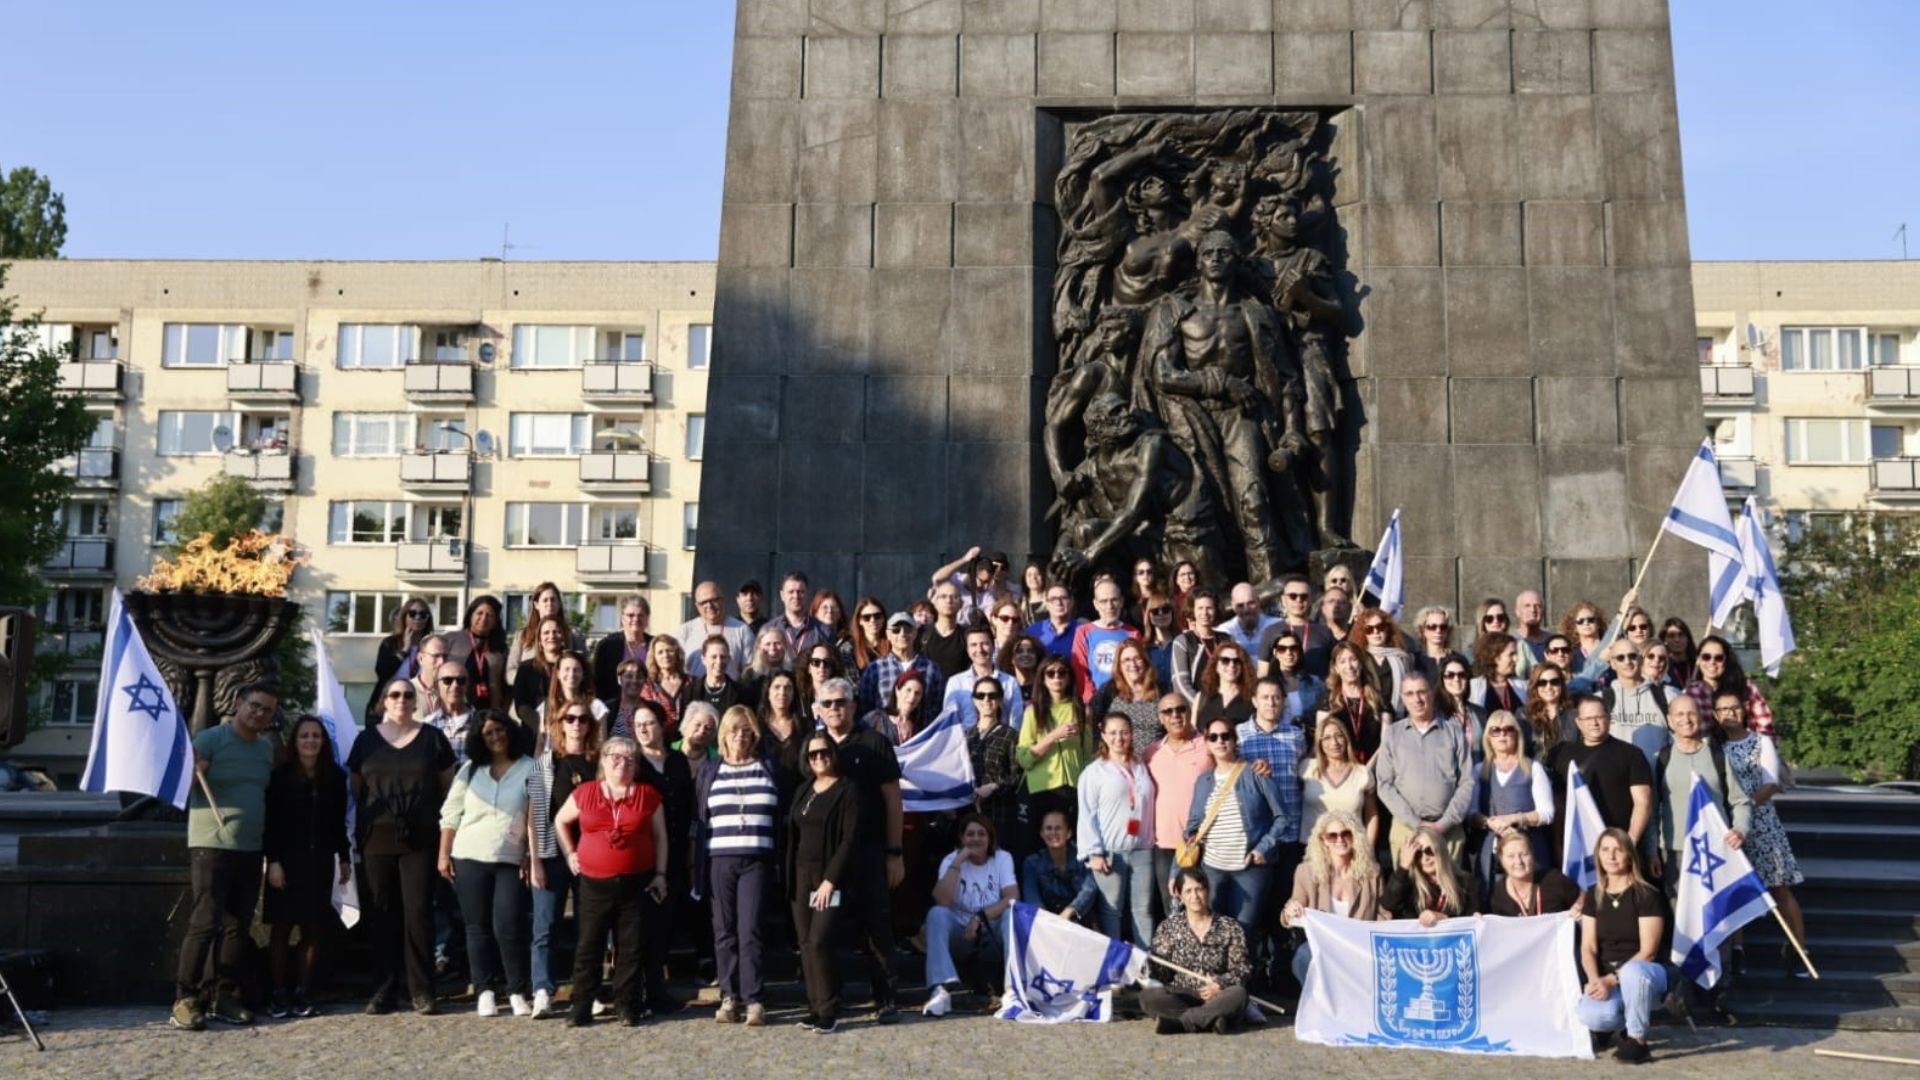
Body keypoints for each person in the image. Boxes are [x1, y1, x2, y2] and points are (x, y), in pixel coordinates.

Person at [349, 678, 457, 1016]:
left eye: (407, 694)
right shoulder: (366, 740)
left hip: (421, 838)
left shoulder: (432, 738)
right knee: (382, 913)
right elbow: (356, 787)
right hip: (376, 837)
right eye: (394, 695)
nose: (401, 699)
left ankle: (422, 990)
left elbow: (447, 787)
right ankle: (383, 989)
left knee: (419, 913)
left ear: (416, 701)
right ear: (383, 701)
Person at [553, 736, 670, 1027]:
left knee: (630, 947)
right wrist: (570, 853)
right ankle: (581, 1005)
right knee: (589, 945)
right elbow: (560, 821)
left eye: (629, 759)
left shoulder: (647, 795)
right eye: (615, 757)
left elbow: (660, 837)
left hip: (636, 882)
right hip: (594, 883)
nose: (622, 763)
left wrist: (660, 874)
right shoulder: (586, 792)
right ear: (603, 762)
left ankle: (626, 1005)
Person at [808, 677, 906, 1024]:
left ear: (853, 705)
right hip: (827, 862)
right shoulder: (814, 746)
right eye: (828, 703)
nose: (835, 708)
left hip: (868, 853)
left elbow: (894, 801)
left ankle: (885, 997)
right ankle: (830, 999)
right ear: (818, 709)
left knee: (876, 927)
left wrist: (895, 853)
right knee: (825, 930)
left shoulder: (875, 743)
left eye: (841, 702)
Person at [436, 710, 538, 1017]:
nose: (495, 737)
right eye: (488, 733)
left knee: (508, 925)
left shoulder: (529, 768)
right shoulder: (469, 770)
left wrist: (530, 854)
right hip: (468, 855)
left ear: (510, 732)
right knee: (476, 927)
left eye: (500, 730)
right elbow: (450, 814)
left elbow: (536, 817)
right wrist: (444, 853)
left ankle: (517, 990)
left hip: (509, 858)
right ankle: (484, 990)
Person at [262, 713, 351, 1020]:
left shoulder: (336, 777)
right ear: (295, 741)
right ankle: (278, 992)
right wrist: (273, 861)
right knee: (281, 930)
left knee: (313, 929)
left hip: (320, 862)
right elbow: (271, 824)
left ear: (323, 741)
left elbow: (338, 824)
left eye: (316, 736)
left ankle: (304, 991)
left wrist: (344, 856)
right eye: (304, 736)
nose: (310, 741)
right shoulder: (280, 776)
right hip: (286, 863)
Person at [696, 706, 780, 1026]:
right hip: (720, 859)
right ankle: (729, 997)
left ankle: (754, 998)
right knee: (724, 931)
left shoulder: (767, 767)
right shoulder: (710, 770)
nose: (740, 736)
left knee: (751, 929)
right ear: (724, 735)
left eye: (746, 730)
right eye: (734, 730)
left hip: (757, 859)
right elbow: (701, 817)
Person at [1715, 690, 1807, 973]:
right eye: (1722, 709)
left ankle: (1798, 949)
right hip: (1727, 826)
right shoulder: (1713, 747)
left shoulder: (1760, 741)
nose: (1729, 714)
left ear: (1743, 711)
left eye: (1734, 708)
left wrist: (1744, 806)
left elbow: (1771, 783)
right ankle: (1738, 951)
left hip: (1762, 822)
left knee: (1778, 888)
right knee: (1737, 890)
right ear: (1715, 715)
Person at [1574, 828, 1674, 1063]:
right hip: (1609, 976)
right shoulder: (1592, 896)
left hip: (1647, 974)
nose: (1611, 856)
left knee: (1633, 971)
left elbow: (1648, 952)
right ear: (1598, 855)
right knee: (1591, 1016)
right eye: (1605, 850)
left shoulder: (1646, 894)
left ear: (1629, 855)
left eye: (1618, 850)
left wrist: (1610, 980)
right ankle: (1621, 1021)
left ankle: (1637, 1039)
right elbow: (1587, 947)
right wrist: (1594, 979)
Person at [527, 699, 600, 1018]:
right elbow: (532, 813)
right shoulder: (545, 763)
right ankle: (543, 988)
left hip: (591, 854)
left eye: (583, 719)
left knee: (591, 927)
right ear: (559, 724)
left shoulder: (598, 762)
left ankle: (587, 990)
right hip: (551, 851)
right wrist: (533, 860)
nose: (576, 724)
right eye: (569, 718)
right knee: (546, 924)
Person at [788, 730, 862, 1034]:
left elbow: (849, 838)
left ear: (833, 754)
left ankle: (830, 1008)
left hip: (828, 876)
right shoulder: (804, 788)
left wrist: (831, 879)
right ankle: (815, 1005)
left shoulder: (848, 790)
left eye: (824, 752)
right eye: (813, 754)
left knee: (820, 941)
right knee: (805, 943)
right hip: (800, 874)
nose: (819, 758)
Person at [1186, 717, 1288, 935]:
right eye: (1213, 737)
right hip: (1212, 868)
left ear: (1234, 740)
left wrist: (1263, 848)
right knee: (1213, 932)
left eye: (1226, 736)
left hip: (1250, 868)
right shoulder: (1203, 781)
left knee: (1244, 933)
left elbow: (1282, 817)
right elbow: (1193, 825)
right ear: (1207, 743)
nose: (1220, 741)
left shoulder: (1256, 773)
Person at [921, 814, 1019, 1016]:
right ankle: (941, 990)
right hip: (961, 935)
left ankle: (1013, 990)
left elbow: (1012, 896)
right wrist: (958, 861)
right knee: (936, 914)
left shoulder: (1002, 858)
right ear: (962, 838)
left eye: (981, 834)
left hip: (991, 933)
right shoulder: (951, 860)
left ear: (990, 838)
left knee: (1011, 915)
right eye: (970, 834)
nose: (976, 839)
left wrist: (979, 918)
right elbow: (942, 900)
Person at [1370, 672, 1474, 862]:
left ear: (1431, 693)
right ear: (1402, 698)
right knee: (1406, 888)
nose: (1416, 699)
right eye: (1409, 694)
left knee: (1448, 889)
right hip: (1406, 830)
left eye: (1421, 692)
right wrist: (1415, 823)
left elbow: (1467, 782)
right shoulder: (1393, 734)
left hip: (1448, 830)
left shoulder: (1454, 731)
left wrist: (1445, 823)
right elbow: (1384, 784)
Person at [634, 700, 697, 1013]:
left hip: (673, 853)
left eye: (649, 723)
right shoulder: (633, 763)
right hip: (642, 853)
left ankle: (657, 989)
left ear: (661, 726)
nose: (645, 730)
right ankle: (640, 991)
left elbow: (687, 806)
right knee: (642, 925)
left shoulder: (677, 761)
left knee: (664, 924)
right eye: (639, 725)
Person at [1651, 695, 1750, 891]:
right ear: (1670, 720)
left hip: (1717, 850)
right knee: (1680, 916)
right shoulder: (1660, 759)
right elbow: (1652, 810)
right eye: (1679, 714)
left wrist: (1740, 829)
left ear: (1701, 717)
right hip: (1675, 852)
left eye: (1691, 713)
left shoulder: (1719, 757)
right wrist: (1650, 851)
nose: (1685, 719)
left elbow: (1740, 801)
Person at [1079, 714, 1158, 952]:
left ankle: (1146, 965)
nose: (1118, 738)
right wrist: (1094, 852)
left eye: (1124, 732)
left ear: (1132, 733)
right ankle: (1114, 967)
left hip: (1143, 849)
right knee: (1112, 911)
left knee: (1143, 910)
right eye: (1112, 732)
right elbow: (1086, 814)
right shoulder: (1095, 772)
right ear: (1103, 735)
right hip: (1111, 852)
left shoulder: (1141, 766)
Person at [1546, 696, 1654, 865]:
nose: (1594, 723)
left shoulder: (1632, 754)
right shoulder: (1561, 754)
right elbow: (1558, 804)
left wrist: (1630, 842)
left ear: (1609, 718)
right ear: (1578, 723)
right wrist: (1559, 846)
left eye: (1599, 717)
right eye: (1588, 718)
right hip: (1578, 851)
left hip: (1619, 850)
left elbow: (1643, 802)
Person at [1142, 869, 1252, 1036]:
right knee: (1148, 997)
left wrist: (1220, 983)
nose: (1195, 896)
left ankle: (1181, 1023)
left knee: (1238, 994)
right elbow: (1161, 974)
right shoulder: (1169, 927)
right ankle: (1212, 1019)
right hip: (1181, 993)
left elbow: (1242, 969)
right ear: (1179, 895)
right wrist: (1144, 962)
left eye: (1199, 889)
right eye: (1188, 891)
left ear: (1208, 890)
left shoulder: (1229, 926)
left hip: (1218, 994)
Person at [1280, 809, 1381, 986]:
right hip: (1323, 946)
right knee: (1304, 955)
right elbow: (1293, 907)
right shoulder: (1306, 871)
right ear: (1323, 841)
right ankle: (1323, 1005)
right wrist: (1290, 911)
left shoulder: (1372, 873)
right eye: (1332, 836)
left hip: (1359, 946)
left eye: (1345, 834)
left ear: (1355, 836)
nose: (1340, 840)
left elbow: (1382, 915)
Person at [1470, 710, 1555, 901]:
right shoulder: (1479, 770)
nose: (1502, 735)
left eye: (1508, 730)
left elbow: (1547, 813)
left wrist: (1513, 819)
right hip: (1491, 854)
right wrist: (1489, 822)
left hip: (1529, 849)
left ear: (1517, 734)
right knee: (1491, 900)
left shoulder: (1533, 767)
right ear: (1488, 737)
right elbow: (1471, 813)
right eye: (1495, 730)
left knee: (1532, 902)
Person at [1016, 657, 1095, 850]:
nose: (1056, 677)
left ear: (1069, 677)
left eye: (1062, 672)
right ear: (1042, 679)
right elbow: (1024, 759)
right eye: (1050, 673)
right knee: (1035, 848)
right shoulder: (1033, 712)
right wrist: (1053, 736)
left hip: (1072, 788)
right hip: (1041, 788)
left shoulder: (1082, 711)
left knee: (1072, 846)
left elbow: (1087, 756)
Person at [1145, 693, 1212, 905]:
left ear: (1190, 712)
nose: (1175, 715)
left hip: (1201, 842)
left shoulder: (1209, 745)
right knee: (1171, 908)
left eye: (1180, 709)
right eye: (1168, 711)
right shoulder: (1151, 752)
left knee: (1204, 906)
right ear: (1160, 718)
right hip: (1164, 843)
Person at [1300, 714, 1379, 851]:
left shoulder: (1363, 774)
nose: (1334, 743)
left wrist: (1369, 850)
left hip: (1352, 850)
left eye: (1339, 736)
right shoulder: (1306, 768)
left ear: (1346, 739)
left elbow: (1372, 815)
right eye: (1327, 738)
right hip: (1313, 850)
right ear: (1319, 742)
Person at [965, 677, 1023, 863]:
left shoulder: (1011, 735)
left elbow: (1019, 777)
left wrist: (995, 787)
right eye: (981, 695)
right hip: (970, 817)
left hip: (1001, 816)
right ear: (974, 700)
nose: (986, 700)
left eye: (992, 695)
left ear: (1000, 700)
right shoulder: (965, 737)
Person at [857, 612, 943, 727]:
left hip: (923, 738)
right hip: (884, 738)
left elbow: (938, 707)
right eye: (896, 630)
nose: (902, 634)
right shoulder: (874, 669)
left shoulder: (932, 668)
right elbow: (865, 708)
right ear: (888, 634)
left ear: (915, 633)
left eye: (908, 630)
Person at [1381, 825, 1477, 922]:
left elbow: (1471, 921)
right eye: (1418, 854)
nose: (1425, 858)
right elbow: (1388, 905)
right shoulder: (1408, 883)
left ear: (1440, 850)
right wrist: (1403, 866)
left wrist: (1444, 919)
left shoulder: (1465, 882)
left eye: (1429, 851)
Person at [1687, 634, 1776, 737]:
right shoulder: (1690, 694)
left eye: (1719, 658)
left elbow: (1765, 726)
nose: (1712, 662)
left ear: (1726, 660)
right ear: (1698, 660)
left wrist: (1764, 749)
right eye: (1706, 657)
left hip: (1746, 750)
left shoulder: (1746, 687)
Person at [942, 624, 1024, 734]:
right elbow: (949, 721)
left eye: (984, 644)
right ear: (967, 649)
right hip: (964, 745)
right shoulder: (956, 682)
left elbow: (1016, 721)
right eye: (973, 645)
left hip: (1001, 744)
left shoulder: (1010, 682)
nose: (979, 650)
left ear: (993, 645)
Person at [366, 598, 437, 721]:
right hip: (391, 702)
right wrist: (404, 650)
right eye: (412, 614)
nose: (417, 618)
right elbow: (381, 672)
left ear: (428, 619)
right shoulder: (390, 643)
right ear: (404, 617)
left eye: (423, 614)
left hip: (421, 704)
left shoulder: (432, 645)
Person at [1601, 639, 1670, 766]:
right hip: (1618, 779)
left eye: (1632, 656)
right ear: (1612, 663)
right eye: (1621, 657)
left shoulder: (1666, 695)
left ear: (1640, 659)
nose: (1627, 661)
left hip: (1658, 780)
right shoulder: (1601, 700)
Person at [1072, 577, 1141, 702]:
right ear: (1095, 604)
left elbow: (1139, 669)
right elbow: (1080, 670)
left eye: (1114, 600)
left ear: (1121, 601)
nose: (1110, 606)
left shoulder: (1133, 633)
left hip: (1127, 700)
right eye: (1104, 601)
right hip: (1095, 701)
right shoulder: (1084, 632)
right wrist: (1092, 701)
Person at [1021, 808, 1098, 921]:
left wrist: (1070, 910)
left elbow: (1089, 889)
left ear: (1069, 833)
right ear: (1042, 834)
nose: (1053, 833)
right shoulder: (1032, 863)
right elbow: (1031, 897)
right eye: (1048, 828)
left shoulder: (1082, 858)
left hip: (1078, 919)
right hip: (1045, 922)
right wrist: (1049, 921)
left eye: (1058, 828)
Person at [1485, 829, 1582, 917]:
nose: (1518, 861)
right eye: (1511, 856)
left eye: (1524, 854)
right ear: (1501, 860)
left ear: (1532, 856)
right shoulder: (1498, 894)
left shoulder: (1554, 879)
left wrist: (1578, 906)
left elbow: (1583, 896)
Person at [1090, 638, 1163, 755]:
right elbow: (1092, 721)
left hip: (1155, 761)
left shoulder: (1160, 690)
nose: (1133, 664)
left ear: (1145, 661)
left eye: (1137, 658)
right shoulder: (1109, 690)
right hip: (1119, 763)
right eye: (1127, 660)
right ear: (1119, 665)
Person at [1317, 641, 1387, 763]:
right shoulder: (1327, 701)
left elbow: (1386, 743)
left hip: (1374, 768)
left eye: (1353, 659)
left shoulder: (1379, 699)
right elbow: (1322, 742)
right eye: (1342, 661)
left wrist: (1367, 771)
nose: (1349, 666)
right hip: (1340, 769)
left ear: (1361, 663)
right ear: (1336, 668)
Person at [757, 669, 814, 813]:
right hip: (764, 800)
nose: (782, 692)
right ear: (767, 692)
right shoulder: (756, 727)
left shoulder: (805, 726)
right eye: (777, 687)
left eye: (788, 688)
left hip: (798, 802)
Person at [677, 581, 755, 678]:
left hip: (730, 691)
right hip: (694, 691)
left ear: (722, 600)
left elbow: (748, 669)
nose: (709, 605)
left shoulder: (742, 630)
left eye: (713, 600)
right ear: (697, 606)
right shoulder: (685, 631)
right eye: (703, 602)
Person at [447, 595, 510, 713]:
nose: (484, 618)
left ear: (496, 620)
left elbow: (505, 686)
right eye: (479, 613)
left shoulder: (500, 648)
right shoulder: (451, 639)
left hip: (489, 710)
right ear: (470, 614)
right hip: (455, 706)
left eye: (489, 615)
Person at [511, 616, 570, 730]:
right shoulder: (526, 668)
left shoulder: (573, 665)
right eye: (546, 633)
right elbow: (521, 705)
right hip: (535, 731)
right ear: (539, 640)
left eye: (556, 632)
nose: (551, 636)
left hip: (568, 728)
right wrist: (541, 725)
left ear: (563, 636)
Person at [591, 594, 653, 702]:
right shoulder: (607, 646)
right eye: (631, 615)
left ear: (647, 618)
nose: (636, 619)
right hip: (614, 709)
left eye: (640, 615)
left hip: (649, 709)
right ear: (622, 618)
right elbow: (596, 682)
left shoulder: (654, 645)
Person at [1350, 608, 1411, 714]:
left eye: (1380, 627)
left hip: (1397, 716)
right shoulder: (1358, 657)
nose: (1376, 632)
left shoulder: (1403, 658)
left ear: (1387, 629)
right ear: (1363, 633)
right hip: (1367, 716)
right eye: (1369, 629)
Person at [1273, 575, 1335, 678]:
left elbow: (1335, 668)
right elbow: (1263, 674)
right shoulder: (1271, 632)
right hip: (1283, 692)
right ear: (1283, 600)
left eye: (1304, 596)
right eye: (1293, 596)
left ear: (1311, 599)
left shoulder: (1324, 632)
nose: (1298, 600)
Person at [1169, 587, 1222, 704]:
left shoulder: (1227, 640)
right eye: (1200, 608)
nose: (1205, 613)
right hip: (1197, 709)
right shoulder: (1183, 641)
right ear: (1193, 610)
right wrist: (1202, 707)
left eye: (1209, 608)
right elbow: (1180, 684)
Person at [1262, 629, 1322, 724]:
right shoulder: (1265, 685)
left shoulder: (1315, 682)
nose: (1288, 652)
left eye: (1293, 648)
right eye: (1282, 649)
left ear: (1299, 652)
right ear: (1275, 653)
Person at [540, 649, 608, 732]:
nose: (571, 674)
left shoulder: (596, 707)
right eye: (567, 669)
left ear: (583, 674)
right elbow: (541, 742)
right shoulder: (548, 705)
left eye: (576, 670)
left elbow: (600, 743)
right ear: (558, 674)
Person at [640, 635, 695, 734]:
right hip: (658, 736)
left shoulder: (690, 682)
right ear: (654, 657)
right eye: (660, 652)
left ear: (677, 654)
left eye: (669, 650)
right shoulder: (648, 685)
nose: (665, 655)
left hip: (687, 738)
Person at [1193, 641, 1255, 729]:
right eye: (1225, 660)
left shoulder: (1252, 699)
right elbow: (1194, 732)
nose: (1231, 665)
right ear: (1216, 665)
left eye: (1237, 661)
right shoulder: (1202, 698)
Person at [1215, 582, 1282, 660]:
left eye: (1251, 603)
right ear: (1232, 606)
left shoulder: (1277, 626)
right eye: (1240, 605)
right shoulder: (1224, 632)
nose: (1246, 609)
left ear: (1258, 601)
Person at [921, 580, 972, 680]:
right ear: (935, 602)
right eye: (943, 597)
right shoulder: (922, 633)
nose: (949, 601)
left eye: (954, 597)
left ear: (961, 603)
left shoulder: (968, 635)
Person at [772, 571, 830, 659]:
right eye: (791, 592)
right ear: (782, 595)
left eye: (800, 592)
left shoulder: (824, 631)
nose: (796, 596)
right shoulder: (770, 629)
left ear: (807, 594)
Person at [1468, 631, 1526, 717]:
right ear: (1495, 657)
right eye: (1511, 654)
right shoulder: (1474, 688)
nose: (1516, 659)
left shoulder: (1523, 685)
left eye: (1516, 654)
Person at [866, 668, 928, 746]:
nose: (912, 697)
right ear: (897, 691)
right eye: (908, 690)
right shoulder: (876, 719)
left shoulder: (921, 728)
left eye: (917, 693)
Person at [1526, 660, 1575, 758]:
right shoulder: (1524, 715)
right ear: (1535, 686)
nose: (1549, 687)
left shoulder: (1574, 714)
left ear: (1561, 684)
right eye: (1542, 683)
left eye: (1555, 682)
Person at [425, 657, 476, 751]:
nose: (455, 685)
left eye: (461, 680)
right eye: (447, 680)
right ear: (436, 686)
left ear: (468, 685)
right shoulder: (426, 726)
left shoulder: (482, 724)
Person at [1026, 580, 1085, 658]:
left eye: (1063, 598)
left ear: (1071, 602)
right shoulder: (1032, 633)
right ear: (1047, 604)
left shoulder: (1084, 632)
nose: (1058, 603)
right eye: (1053, 599)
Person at [741, 624, 791, 708]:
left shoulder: (792, 673)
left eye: (777, 643)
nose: (773, 648)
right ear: (759, 647)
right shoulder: (749, 675)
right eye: (768, 644)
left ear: (784, 646)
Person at [697, 636, 750, 716]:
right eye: (714, 657)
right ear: (704, 659)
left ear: (728, 659)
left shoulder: (741, 693)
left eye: (723, 657)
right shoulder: (691, 691)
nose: (719, 661)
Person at [1409, 605, 1455, 687]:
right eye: (1432, 627)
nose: (1438, 631)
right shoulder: (1413, 661)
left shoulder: (1457, 659)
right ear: (1423, 630)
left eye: (1443, 627)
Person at [1141, 589, 1179, 687]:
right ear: (1149, 615)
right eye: (1155, 611)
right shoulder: (1143, 648)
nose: (1161, 614)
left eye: (1166, 610)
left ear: (1172, 613)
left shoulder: (1183, 643)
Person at [848, 596, 891, 682]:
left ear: (883, 618)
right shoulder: (849, 648)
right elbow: (852, 682)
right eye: (867, 617)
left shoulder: (893, 644)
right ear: (859, 621)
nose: (873, 620)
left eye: (877, 616)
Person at [797, 642, 847, 713]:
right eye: (816, 662)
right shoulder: (800, 698)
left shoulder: (842, 696)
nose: (822, 666)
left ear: (832, 668)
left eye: (827, 662)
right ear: (808, 668)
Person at [1513, 589, 1550, 672]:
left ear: (1543, 611)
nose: (1533, 610)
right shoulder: (1510, 642)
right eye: (1527, 606)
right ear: (1517, 612)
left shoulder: (1553, 641)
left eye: (1537, 606)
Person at [1660, 618, 1699, 684]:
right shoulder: (1661, 667)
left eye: (1681, 635)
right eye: (1671, 636)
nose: (1677, 640)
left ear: (1687, 638)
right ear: (1665, 641)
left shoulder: (1697, 665)